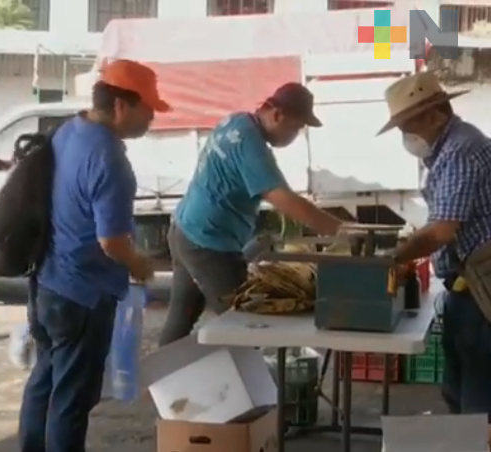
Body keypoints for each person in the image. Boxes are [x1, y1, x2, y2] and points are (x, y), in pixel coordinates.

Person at [18, 59, 170, 452]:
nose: (152, 118)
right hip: (82, 296)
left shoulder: (68, 131)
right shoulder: (111, 160)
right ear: (122, 105)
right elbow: (112, 242)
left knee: (45, 382)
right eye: (148, 109)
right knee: (72, 401)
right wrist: (141, 266)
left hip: (46, 284)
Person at [159, 82, 344, 347]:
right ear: (277, 115)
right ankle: (232, 386)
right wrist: (341, 230)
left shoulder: (236, 122)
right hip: (208, 244)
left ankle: (159, 385)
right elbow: (283, 199)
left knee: (180, 320)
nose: (295, 135)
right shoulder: (251, 144)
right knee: (246, 327)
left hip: (185, 230)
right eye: (295, 127)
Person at [379, 72, 491, 426]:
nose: (407, 135)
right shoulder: (457, 147)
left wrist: (388, 258)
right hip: (472, 289)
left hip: (489, 288)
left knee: (482, 399)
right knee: (470, 395)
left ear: (434, 113)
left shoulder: (460, 151)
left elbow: (441, 230)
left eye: (408, 124)